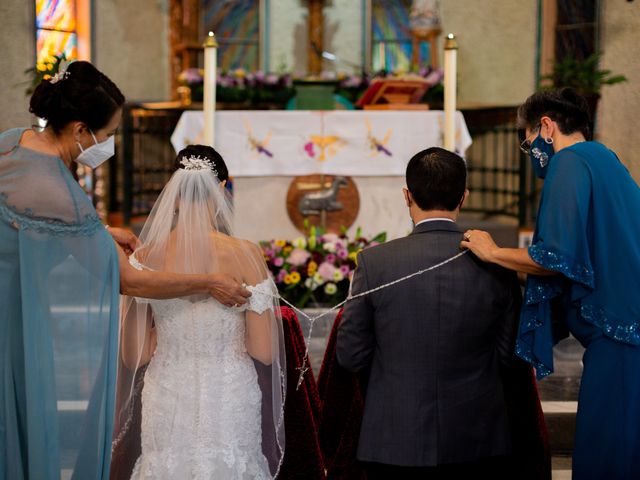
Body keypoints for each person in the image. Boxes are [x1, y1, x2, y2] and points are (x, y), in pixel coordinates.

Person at [0, 62, 248, 480]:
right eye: (110, 133)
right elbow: (131, 280)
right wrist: (207, 281)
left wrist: (99, 230)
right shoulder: (62, 194)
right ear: (80, 130)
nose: (110, 142)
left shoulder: (11, 141)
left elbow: (31, 218)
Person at [461, 87, 640, 479]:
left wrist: (493, 253)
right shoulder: (606, 158)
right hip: (629, 327)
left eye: (528, 144)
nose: (533, 157)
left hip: (619, 338)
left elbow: (556, 257)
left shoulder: (569, 162)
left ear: (546, 127)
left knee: (607, 455)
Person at [336, 147, 522, 479]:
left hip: (394, 434)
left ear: (407, 196)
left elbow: (350, 355)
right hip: (477, 433)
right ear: (464, 196)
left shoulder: (374, 262)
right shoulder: (497, 264)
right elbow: (509, 355)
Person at [113, 145, 286, 479]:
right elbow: (263, 351)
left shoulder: (144, 259)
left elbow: (137, 354)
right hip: (230, 392)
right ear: (221, 189)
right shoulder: (245, 254)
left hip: (168, 390)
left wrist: (167, 332)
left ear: (174, 193)